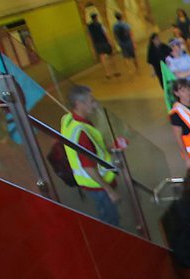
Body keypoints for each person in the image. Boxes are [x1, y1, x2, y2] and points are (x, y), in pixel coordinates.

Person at [60, 85, 120, 227]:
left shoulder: (68, 119)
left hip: (91, 185)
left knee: (107, 215)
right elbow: (88, 167)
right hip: (97, 185)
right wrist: (110, 191)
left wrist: (109, 147)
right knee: (111, 220)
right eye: (91, 100)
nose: (95, 104)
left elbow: (93, 148)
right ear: (79, 104)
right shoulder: (81, 132)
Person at [85, 13, 119, 78]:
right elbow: (105, 34)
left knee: (102, 58)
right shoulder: (100, 25)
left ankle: (107, 73)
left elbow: (90, 36)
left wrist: (93, 45)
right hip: (104, 42)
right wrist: (110, 42)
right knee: (111, 56)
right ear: (96, 18)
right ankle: (115, 71)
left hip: (97, 43)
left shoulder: (89, 27)